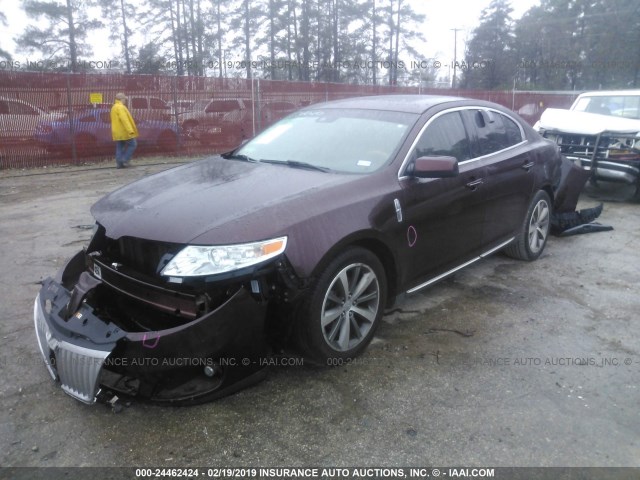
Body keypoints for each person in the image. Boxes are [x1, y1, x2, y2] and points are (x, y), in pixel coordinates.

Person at [110, 92, 139, 168]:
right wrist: (130, 130)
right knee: (133, 144)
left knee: (120, 147)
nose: (125, 101)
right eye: (124, 99)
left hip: (117, 131)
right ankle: (125, 159)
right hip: (124, 131)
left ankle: (119, 164)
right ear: (121, 99)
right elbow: (124, 120)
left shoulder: (114, 107)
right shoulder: (121, 107)